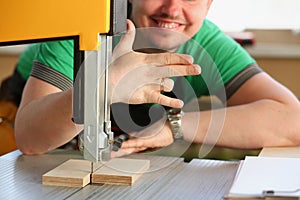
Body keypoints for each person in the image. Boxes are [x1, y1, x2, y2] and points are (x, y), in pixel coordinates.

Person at [14, 0, 300, 157]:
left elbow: (291, 120)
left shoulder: (207, 43)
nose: (172, 10)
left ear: (209, 5)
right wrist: (97, 90)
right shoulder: (82, 27)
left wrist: (171, 126)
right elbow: (29, 140)